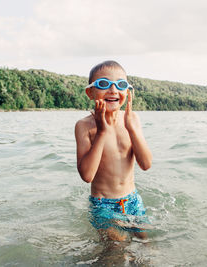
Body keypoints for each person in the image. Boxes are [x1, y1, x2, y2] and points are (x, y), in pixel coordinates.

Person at [75, 60, 153, 241]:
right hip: (104, 205)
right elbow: (87, 176)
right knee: (115, 251)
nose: (113, 90)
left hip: (133, 200)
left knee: (146, 245)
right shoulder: (85, 126)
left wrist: (132, 129)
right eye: (103, 84)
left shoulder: (132, 119)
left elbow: (146, 164)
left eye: (121, 84)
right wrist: (102, 131)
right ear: (90, 92)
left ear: (127, 91)